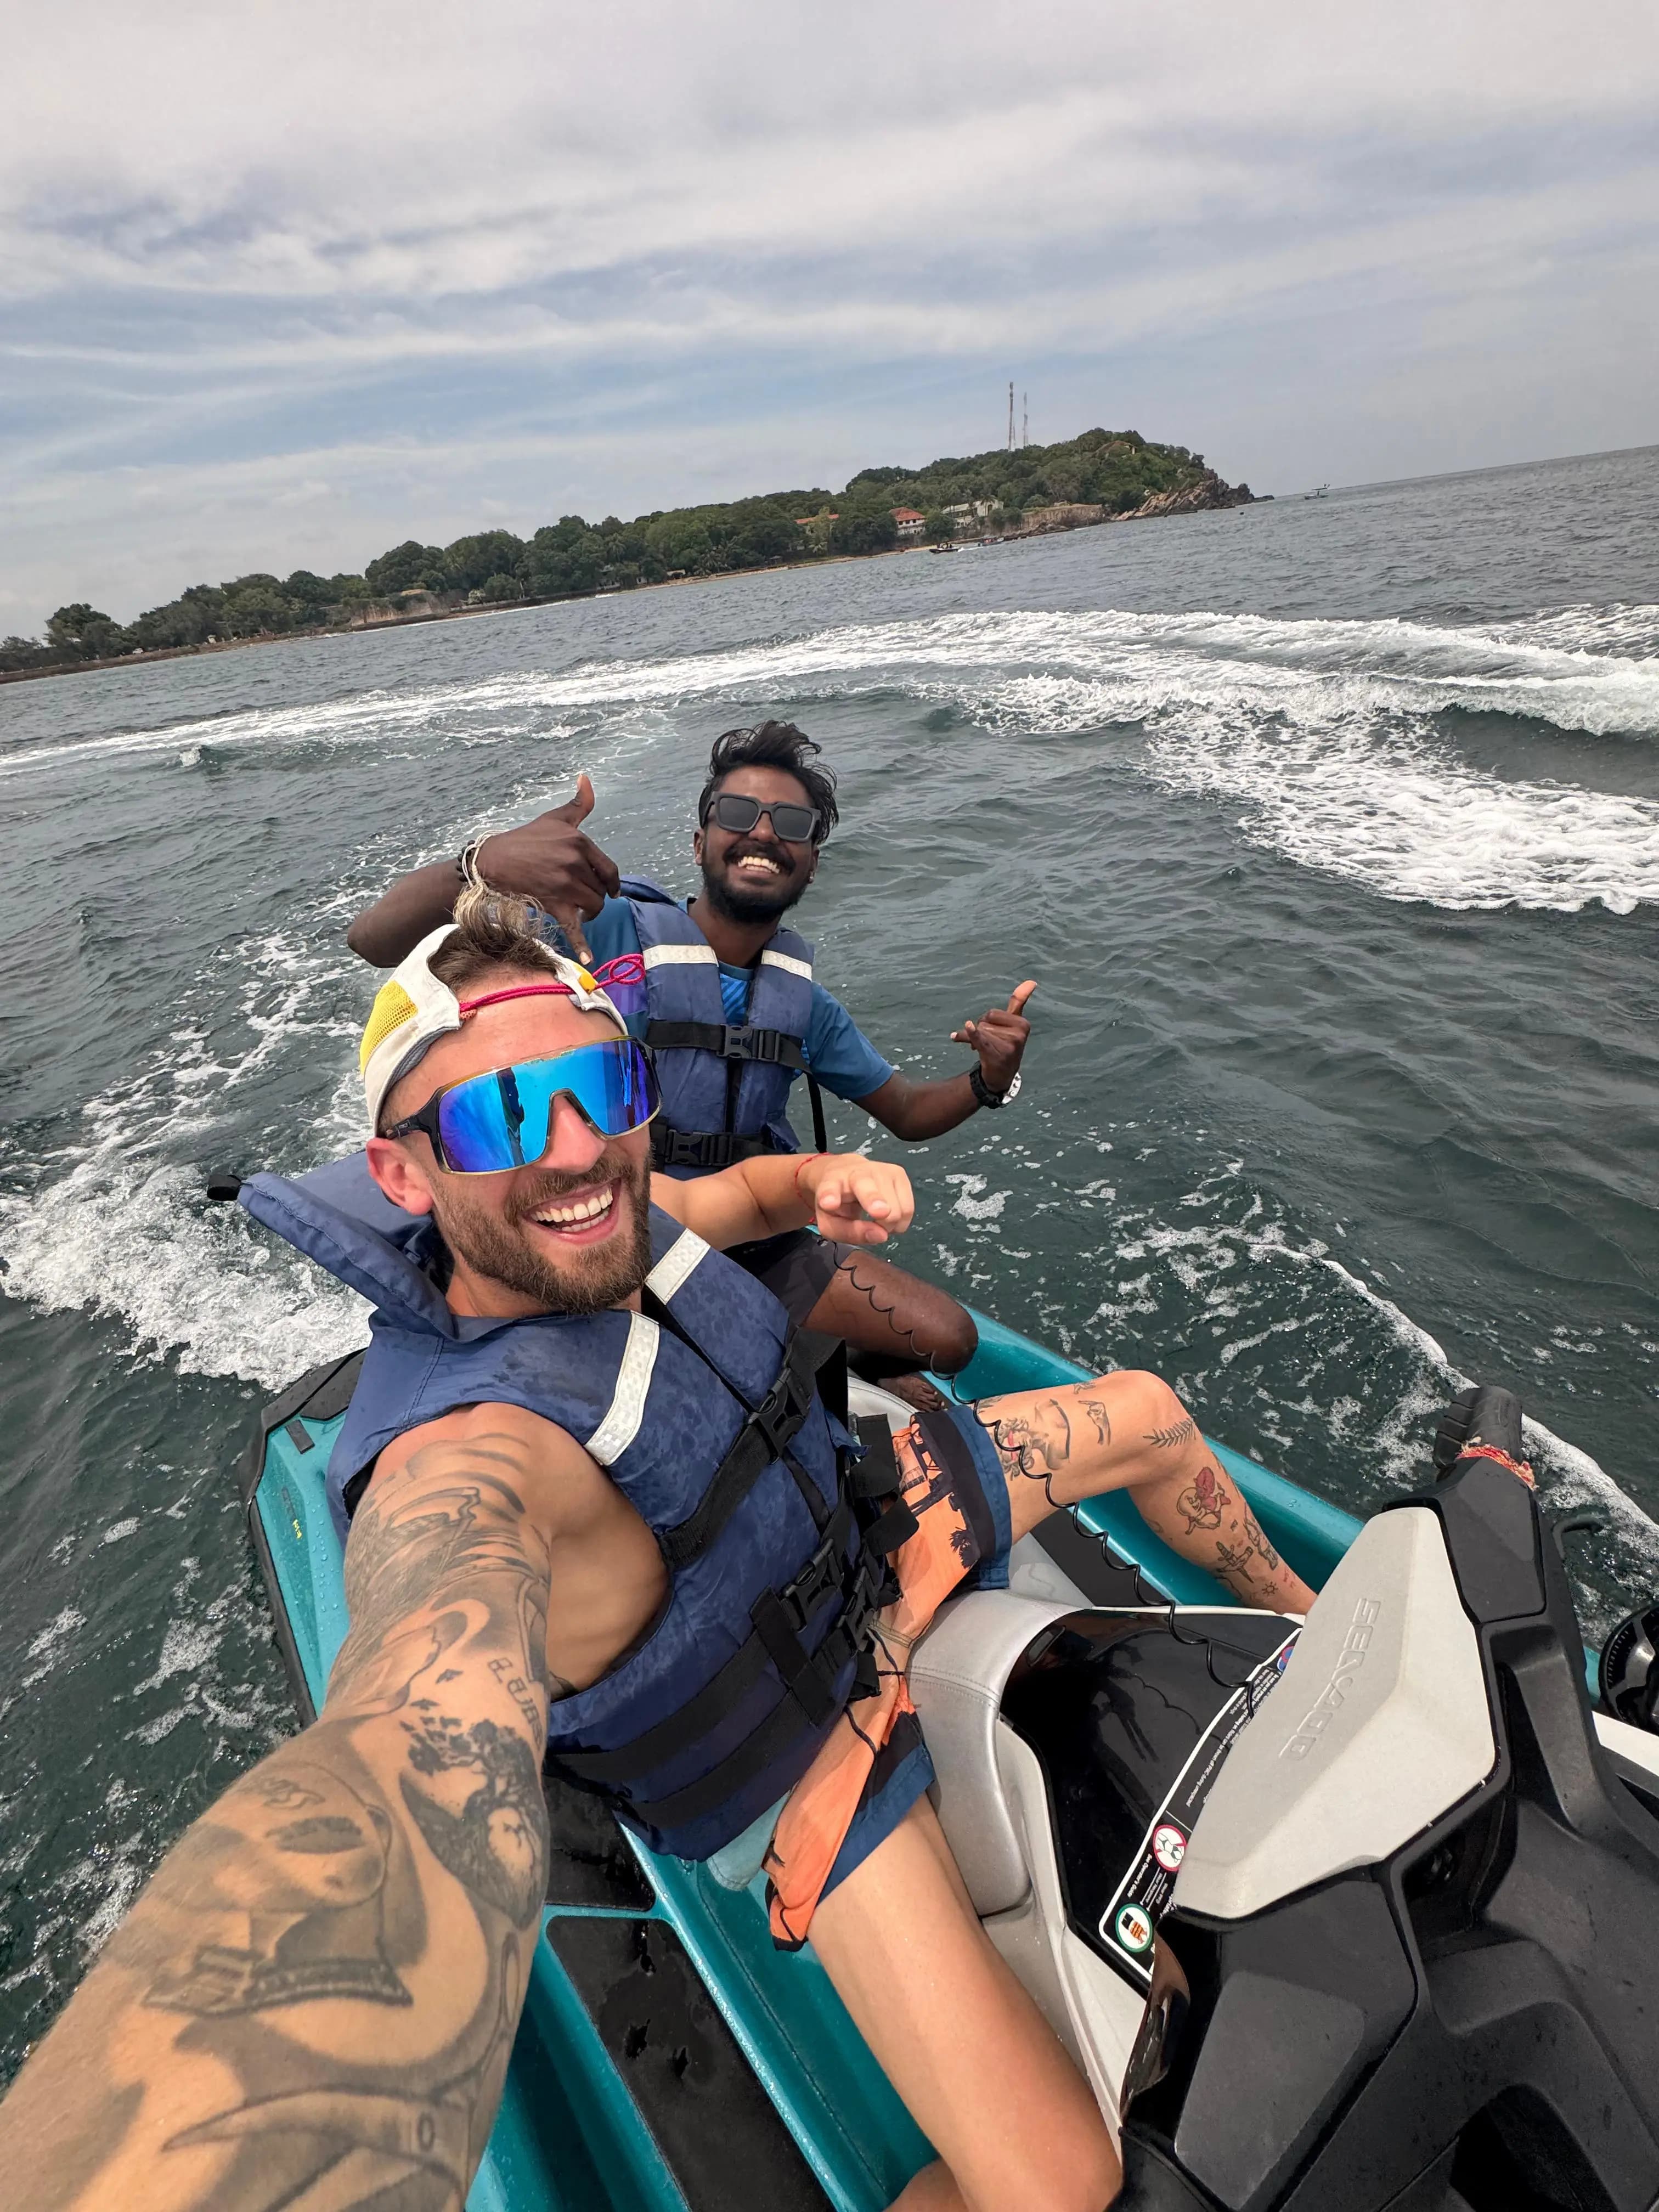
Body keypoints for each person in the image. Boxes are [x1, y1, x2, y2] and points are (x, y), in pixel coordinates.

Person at [1, 895, 1312, 2212]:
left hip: (856, 1540)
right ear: (402, 1172)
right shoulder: (469, 1458)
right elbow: (409, 1732)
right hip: (788, 1751)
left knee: (1144, 1414)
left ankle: (1316, 1625)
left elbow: (734, 1192)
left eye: (601, 1085)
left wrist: (819, 1183)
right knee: (1061, 2191)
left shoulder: (612, 1208)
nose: (576, 1150)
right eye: (499, 1116)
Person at [345, 720, 1038, 1405]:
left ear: (813, 861)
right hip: (592, 1221)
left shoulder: (807, 1008)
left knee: (948, 1339)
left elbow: (908, 1111)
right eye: (738, 814)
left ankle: (820, 1360)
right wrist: (480, 866)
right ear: (701, 841)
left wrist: (988, 1081)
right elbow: (374, 941)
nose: (764, 832)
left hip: (745, 1234)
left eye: (791, 823)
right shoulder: (592, 930)